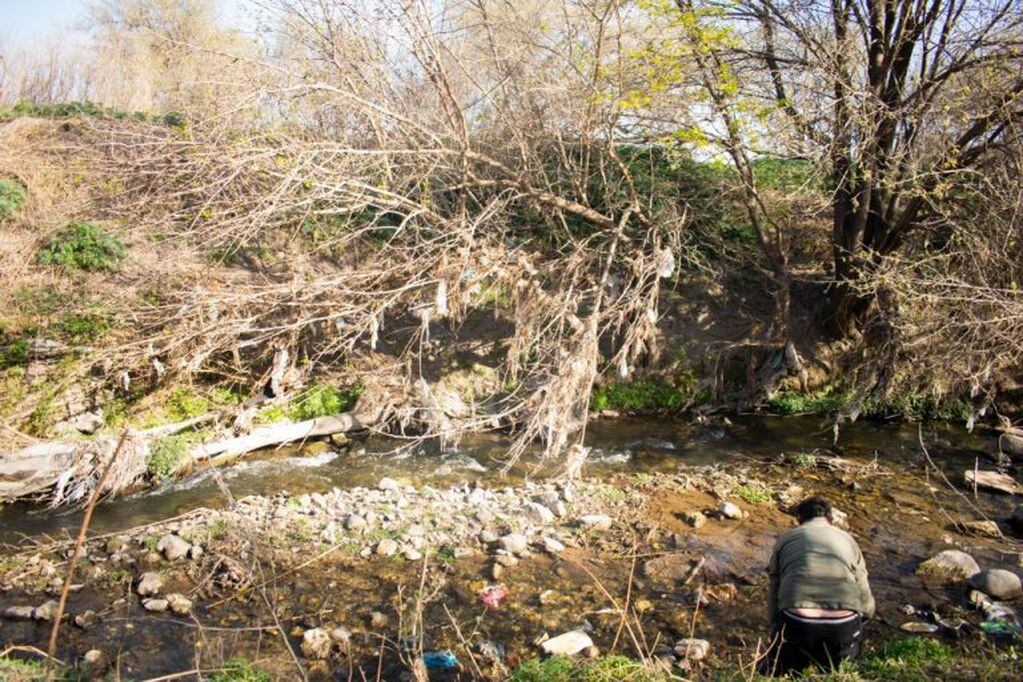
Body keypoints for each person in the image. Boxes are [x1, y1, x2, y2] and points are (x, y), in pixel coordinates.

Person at [760, 495, 875, 676]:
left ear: (799, 519)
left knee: (781, 671)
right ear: (830, 519)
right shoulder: (848, 539)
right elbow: (862, 584)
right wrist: (864, 617)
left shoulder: (786, 539)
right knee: (837, 670)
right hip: (843, 624)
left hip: (798, 621)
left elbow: (775, 583)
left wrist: (775, 626)